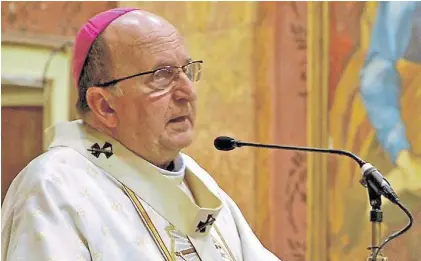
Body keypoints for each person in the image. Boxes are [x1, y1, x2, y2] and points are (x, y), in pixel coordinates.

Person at [1, 7, 281, 261]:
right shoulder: (54, 187)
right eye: (161, 75)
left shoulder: (196, 181)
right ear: (105, 105)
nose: (187, 93)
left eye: (186, 71)